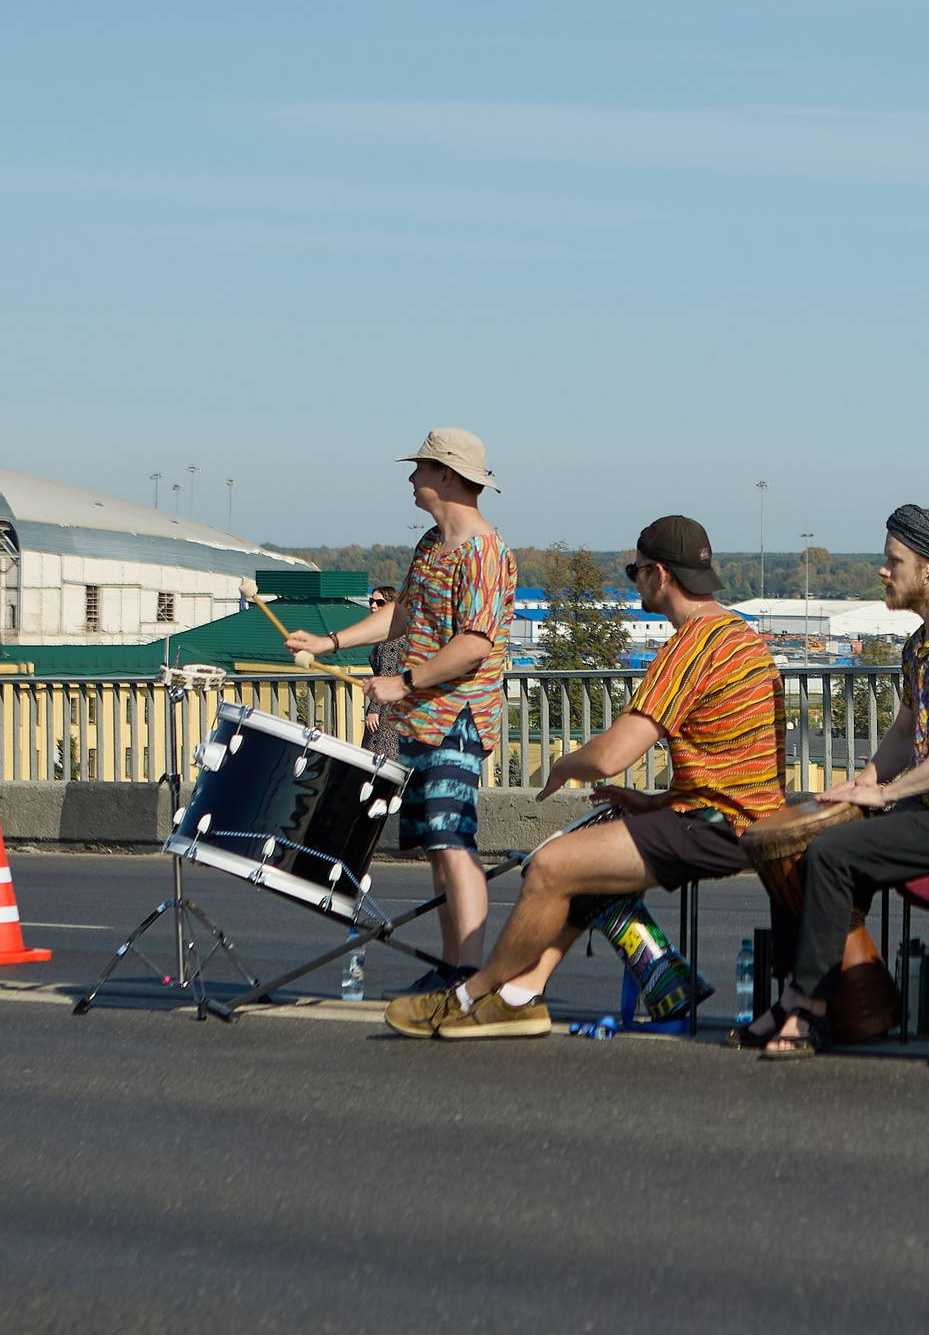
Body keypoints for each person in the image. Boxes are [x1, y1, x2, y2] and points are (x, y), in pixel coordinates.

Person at [385, 515, 786, 1039]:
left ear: (659, 575)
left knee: (550, 864)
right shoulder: (741, 637)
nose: (634, 580)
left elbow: (610, 755)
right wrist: (655, 801)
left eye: (634, 571)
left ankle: (470, 994)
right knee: (582, 856)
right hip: (736, 815)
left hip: (720, 826)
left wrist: (562, 765)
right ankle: (521, 995)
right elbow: (737, 763)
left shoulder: (693, 643)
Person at [755, 505, 929, 1062]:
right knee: (801, 845)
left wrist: (887, 794)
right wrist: (864, 781)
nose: (882, 570)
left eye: (893, 560)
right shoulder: (920, 644)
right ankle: (810, 997)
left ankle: (810, 1012)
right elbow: (905, 729)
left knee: (830, 854)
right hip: (926, 809)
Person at [286, 429, 514, 989]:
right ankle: (451, 967)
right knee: (437, 849)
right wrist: (327, 643)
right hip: (419, 719)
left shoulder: (484, 552)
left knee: (453, 841)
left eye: (420, 469)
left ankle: (469, 974)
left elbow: (475, 643)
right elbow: (403, 616)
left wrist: (402, 680)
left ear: (447, 476)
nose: (411, 478)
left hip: (458, 719)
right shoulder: (430, 546)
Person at [360, 585, 405, 762]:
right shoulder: (394, 633)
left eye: (380, 602)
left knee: (380, 761)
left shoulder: (391, 638)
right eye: (371, 601)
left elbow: (386, 674)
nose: (373, 606)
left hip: (388, 710)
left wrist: (374, 709)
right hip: (394, 707)